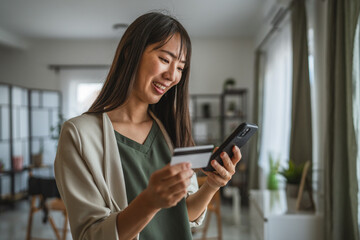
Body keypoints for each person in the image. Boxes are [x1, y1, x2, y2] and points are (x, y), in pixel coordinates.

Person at [54, 12, 242, 240]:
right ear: (129, 52)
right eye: (164, 59)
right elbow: (90, 235)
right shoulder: (79, 135)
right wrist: (150, 201)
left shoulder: (172, 131)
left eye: (181, 67)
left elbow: (183, 216)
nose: (172, 75)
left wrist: (211, 185)